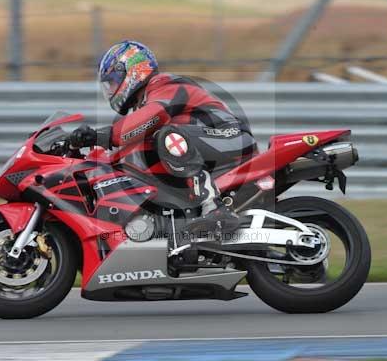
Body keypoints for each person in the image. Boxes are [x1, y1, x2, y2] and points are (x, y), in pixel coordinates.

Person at [69, 40, 256, 248]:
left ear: (131, 70)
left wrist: (104, 135)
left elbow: (153, 115)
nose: (111, 90)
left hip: (229, 136)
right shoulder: (145, 101)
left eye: (113, 82)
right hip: (210, 144)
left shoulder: (163, 84)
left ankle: (214, 207)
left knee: (165, 135)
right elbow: (131, 139)